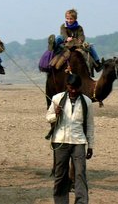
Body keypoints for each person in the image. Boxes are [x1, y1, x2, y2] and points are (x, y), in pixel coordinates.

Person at [46, 73, 94, 204]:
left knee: (80, 174)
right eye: (71, 88)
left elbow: (90, 125)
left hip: (78, 142)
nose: (73, 91)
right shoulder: (57, 98)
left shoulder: (87, 102)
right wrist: (55, 114)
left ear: (80, 87)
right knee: (60, 175)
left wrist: (90, 145)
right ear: (67, 86)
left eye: (76, 88)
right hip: (60, 141)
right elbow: (48, 117)